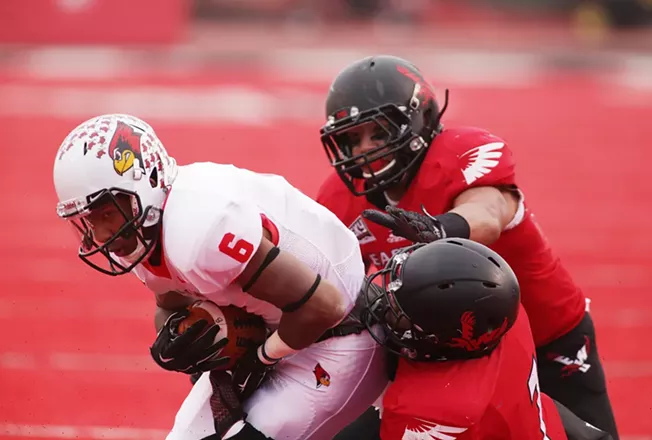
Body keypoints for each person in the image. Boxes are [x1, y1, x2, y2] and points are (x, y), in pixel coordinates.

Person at [317, 55, 618, 439]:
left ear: (416, 120)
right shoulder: (337, 199)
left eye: (378, 132)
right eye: (351, 138)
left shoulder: (459, 154)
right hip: (446, 356)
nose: (364, 149)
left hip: (545, 334)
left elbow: (490, 213)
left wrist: (443, 228)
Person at [52, 113, 388, 440]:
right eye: (88, 219)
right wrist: (178, 339)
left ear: (148, 179)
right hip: (288, 329)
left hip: (342, 335)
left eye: (107, 213)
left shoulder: (198, 230)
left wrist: (258, 358)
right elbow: (170, 302)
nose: (101, 233)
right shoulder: (147, 225)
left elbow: (324, 306)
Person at [360, 238, 613, 440]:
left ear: (436, 337)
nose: (387, 304)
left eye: (400, 310)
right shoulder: (506, 319)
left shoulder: (424, 407)